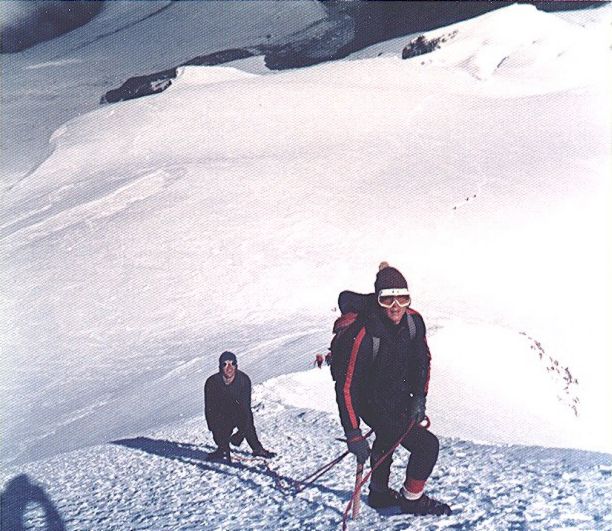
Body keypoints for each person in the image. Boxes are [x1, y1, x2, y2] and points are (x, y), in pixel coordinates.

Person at [333, 262, 451, 515]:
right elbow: (346, 388)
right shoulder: (364, 336)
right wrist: (353, 432)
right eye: (387, 299)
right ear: (377, 300)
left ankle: (378, 494)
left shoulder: (414, 322)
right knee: (426, 446)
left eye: (402, 298)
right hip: (369, 401)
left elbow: (422, 360)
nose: (396, 306)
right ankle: (411, 500)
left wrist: (419, 397)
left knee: (387, 439)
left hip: (399, 395)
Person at [204, 351, 276, 462]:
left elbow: (245, 409)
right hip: (221, 414)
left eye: (232, 363)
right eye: (225, 364)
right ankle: (222, 448)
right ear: (220, 366)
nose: (229, 367)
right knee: (219, 428)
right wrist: (216, 432)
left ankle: (257, 449)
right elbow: (209, 410)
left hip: (238, 412)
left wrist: (241, 433)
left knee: (247, 423)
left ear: (236, 366)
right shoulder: (212, 382)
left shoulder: (243, 380)